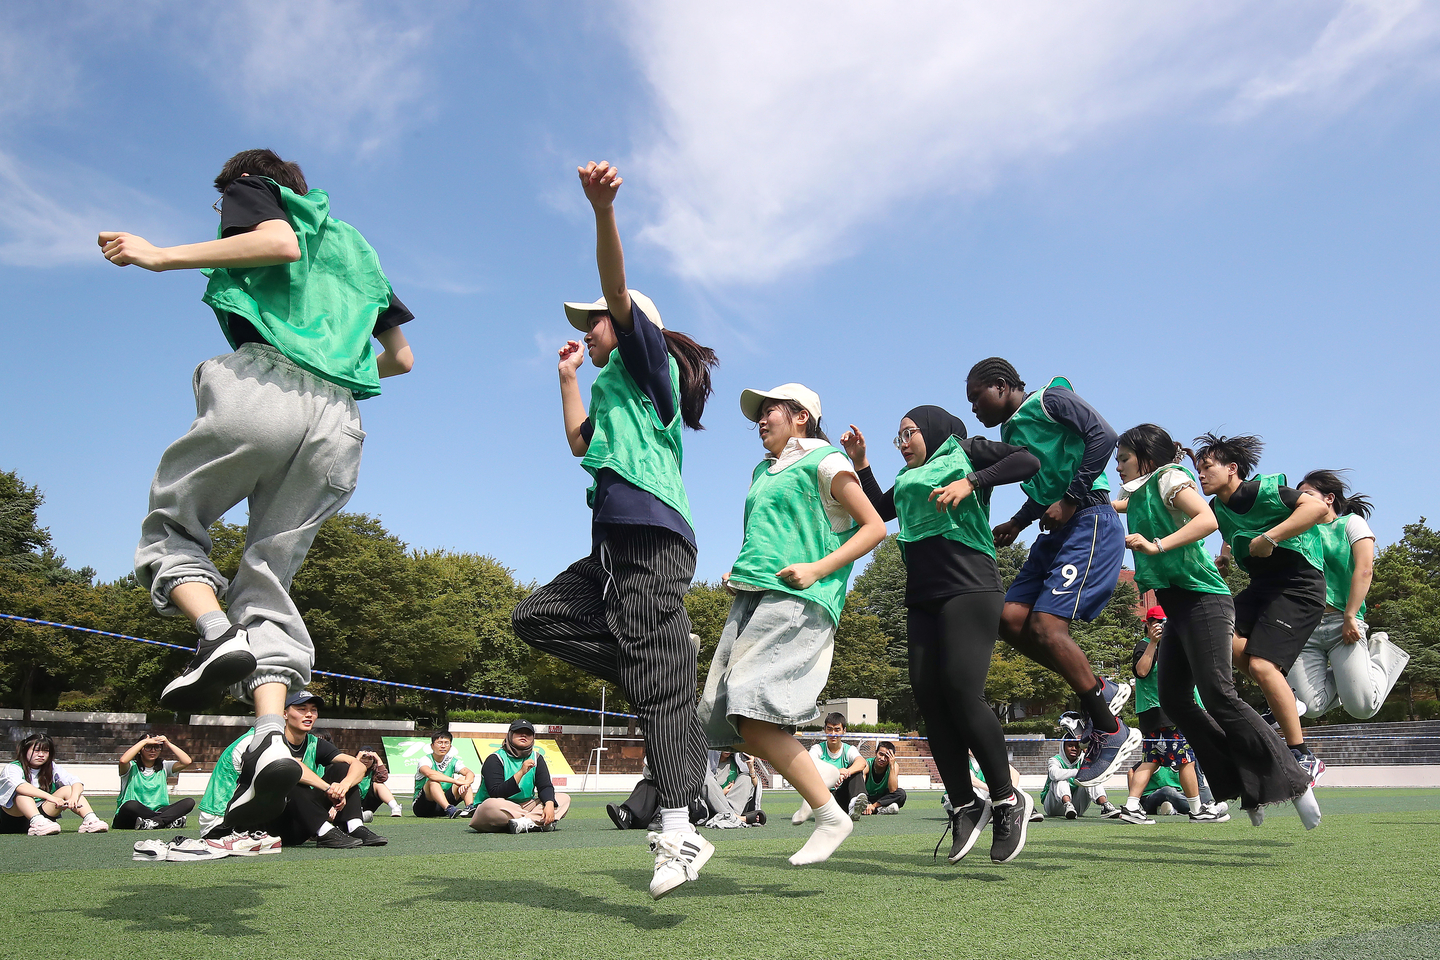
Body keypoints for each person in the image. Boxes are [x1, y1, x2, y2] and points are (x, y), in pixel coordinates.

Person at [101, 149, 415, 832]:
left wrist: (154, 255)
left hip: (268, 384)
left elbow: (274, 242)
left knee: (172, 527)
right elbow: (400, 359)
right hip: (340, 422)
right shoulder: (357, 249)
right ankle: (271, 737)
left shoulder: (256, 191)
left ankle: (214, 633)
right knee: (268, 576)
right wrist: (331, 374)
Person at [510, 161, 719, 900]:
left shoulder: (646, 365)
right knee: (535, 618)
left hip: (651, 537)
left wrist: (603, 213)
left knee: (660, 696)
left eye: (591, 321)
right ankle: (661, 661)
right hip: (611, 546)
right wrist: (567, 377)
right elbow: (577, 443)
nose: (587, 330)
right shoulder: (607, 388)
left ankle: (678, 831)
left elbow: (620, 292)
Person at [842, 404, 1041, 863]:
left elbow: (1028, 460)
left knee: (959, 689)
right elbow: (877, 510)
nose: (904, 441)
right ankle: (966, 805)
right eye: (898, 437)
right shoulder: (914, 477)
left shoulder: (963, 451)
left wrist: (972, 480)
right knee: (928, 697)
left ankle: (1008, 798)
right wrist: (862, 465)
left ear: (932, 429)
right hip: (923, 595)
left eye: (908, 432)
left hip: (970, 586)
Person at [700, 383, 886, 865]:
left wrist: (817, 569)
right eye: (758, 414)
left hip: (799, 596)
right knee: (726, 715)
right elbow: (767, 535)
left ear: (801, 416)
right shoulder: (762, 471)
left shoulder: (824, 461)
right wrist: (739, 571)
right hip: (754, 596)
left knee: (749, 708)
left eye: (770, 411)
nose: (761, 420)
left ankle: (830, 813)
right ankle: (817, 776)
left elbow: (875, 527)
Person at [1113, 426, 1314, 828]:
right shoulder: (1138, 493)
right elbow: (1112, 503)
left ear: (1145, 457)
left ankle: (1294, 777)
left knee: (1218, 694)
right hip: (1177, 605)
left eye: (1123, 459)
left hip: (1204, 600)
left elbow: (1204, 519)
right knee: (1174, 698)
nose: (1117, 467)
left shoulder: (1169, 478)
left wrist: (1157, 546)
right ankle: (1243, 781)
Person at [965, 359, 1140, 787]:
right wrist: (1020, 521)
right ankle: (1102, 688)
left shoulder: (1050, 399)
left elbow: (1106, 436)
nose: (973, 408)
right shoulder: (1010, 433)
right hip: (1056, 530)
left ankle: (1112, 731)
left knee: (1046, 625)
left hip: (1090, 519)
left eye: (976, 397)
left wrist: (1073, 497)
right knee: (1008, 618)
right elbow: (1046, 488)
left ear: (1002, 386)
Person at [1192, 433, 1330, 795]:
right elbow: (1228, 529)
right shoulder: (1219, 507)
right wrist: (1223, 555)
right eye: (1198, 469)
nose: (1201, 475)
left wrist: (1271, 537)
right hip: (1262, 586)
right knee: (1220, 637)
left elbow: (1317, 510)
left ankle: (1303, 755)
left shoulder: (1265, 491)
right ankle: (1285, 694)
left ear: (1232, 469)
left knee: (1261, 666)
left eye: (1207, 467)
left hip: (1299, 585)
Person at [1289, 470, 1410, 727]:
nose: (1301, 500)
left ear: (1329, 498)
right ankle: (1349, 674)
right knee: (1309, 708)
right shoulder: (1297, 533)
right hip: (1305, 627)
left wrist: (1350, 615)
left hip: (1343, 624)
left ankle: (1379, 651)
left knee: (1363, 708)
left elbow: (1364, 569)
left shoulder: (1350, 523)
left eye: (1308, 494)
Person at [199, 691, 386, 851]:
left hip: (277, 821)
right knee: (286, 773)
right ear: (284, 714)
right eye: (301, 709)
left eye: (313, 710)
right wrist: (328, 789)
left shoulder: (313, 742)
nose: (309, 715)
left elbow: (359, 765)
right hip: (228, 825)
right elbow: (289, 764)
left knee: (342, 768)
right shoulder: (259, 739)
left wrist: (342, 787)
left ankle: (354, 826)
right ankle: (324, 831)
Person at [1116, 607, 1224, 825]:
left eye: (1164, 621)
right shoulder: (1145, 646)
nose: (1160, 625)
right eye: (1155, 621)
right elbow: (1142, 671)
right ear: (1147, 623)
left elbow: (1188, 684)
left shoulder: (1174, 649)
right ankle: (1196, 809)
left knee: (1151, 760)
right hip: (1163, 714)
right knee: (1186, 761)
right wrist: (1154, 643)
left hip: (1161, 714)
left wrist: (1201, 709)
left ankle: (1130, 806)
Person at [469, 719, 571, 833]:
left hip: (525, 805)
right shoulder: (495, 758)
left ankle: (523, 823)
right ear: (510, 735)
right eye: (519, 732)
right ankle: (535, 821)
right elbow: (496, 793)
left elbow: (545, 786)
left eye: (528, 733)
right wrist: (521, 772)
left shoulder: (537, 758)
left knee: (563, 798)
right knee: (490, 805)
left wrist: (549, 804)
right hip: (500, 807)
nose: (523, 735)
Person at [0, 733, 108, 835]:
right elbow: (20, 786)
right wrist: (51, 798)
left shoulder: (52, 767)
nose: (41, 755)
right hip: (12, 819)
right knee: (22, 794)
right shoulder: (12, 768)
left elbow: (76, 782)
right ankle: (37, 822)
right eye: (36, 750)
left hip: (43, 817)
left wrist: (73, 798)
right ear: (25, 750)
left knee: (68, 789)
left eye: (46, 751)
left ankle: (90, 820)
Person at [790, 715, 871, 828]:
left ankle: (854, 805)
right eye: (829, 729)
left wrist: (846, 772)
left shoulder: (849, 749)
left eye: (837, 729)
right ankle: (810, 810)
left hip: (844, 795)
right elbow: (808, 765)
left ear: (844, 731)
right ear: (825, 730)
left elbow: (862, 762)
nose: (833, 733)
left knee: (856, 771)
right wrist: (836, 773)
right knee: (813, 772)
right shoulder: (818, 749)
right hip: (826, 794)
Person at [112, 734, 197, 830]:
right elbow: (123, 761)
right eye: (148, 747)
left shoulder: (164, 766)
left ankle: (156, 822)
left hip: (158, 811)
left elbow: (187, 761)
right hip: (131, 815)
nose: (153, 751)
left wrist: (167, 743)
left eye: (156, 747)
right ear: (140, 749)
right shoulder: (131, 767)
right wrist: (144, 741)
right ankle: (166, 821)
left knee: (189, 802)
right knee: (130, 805)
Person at [1042, 729, 1120, 820]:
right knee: (1059, 779)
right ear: (1063, 747)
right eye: (1070, 746)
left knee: (1090, 777)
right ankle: (1067, 804)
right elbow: (1054, 775)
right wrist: (1078, 772)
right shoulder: (1054, 760)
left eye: (1077, 746)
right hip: (1054, 807)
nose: (1074, 749)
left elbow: (1096, 770)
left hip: (1077, 808)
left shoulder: (1084, 759)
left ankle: (1105, 806)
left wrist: (1088, 752)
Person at [413, 732, 476, 818]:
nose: (443, 746)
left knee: (463, 779)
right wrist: (455, 781)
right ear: (432, 746)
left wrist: (466, 783)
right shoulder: (425, 760)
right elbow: (430, 774)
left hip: (442, 805)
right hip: (423, 808)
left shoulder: (452, 761)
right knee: (433, 782)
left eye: (446, 743)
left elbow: (470, 773)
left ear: (450, 746)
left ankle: (469, 808)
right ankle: (448, 808)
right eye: (439, 743)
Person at [714, 750, 766, 824]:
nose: (727, 750)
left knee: (746, 778)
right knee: (708, 781)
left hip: (734, 804)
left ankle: (733, 816)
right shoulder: (708, 765)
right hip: (715, 805)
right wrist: (721, 793)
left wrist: (751, 768)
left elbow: (755, 786)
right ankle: (737, 818)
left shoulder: (736, 762)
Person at [856, 741, 907, 817]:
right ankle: (880, 809)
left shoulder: (894, 766)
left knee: (901, 794)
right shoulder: (867, 764)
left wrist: (892, 766)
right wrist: (866, 803)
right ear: (876, 753)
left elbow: (893, 790)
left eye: (887, 756)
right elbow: (860, 788)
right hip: (868, 797)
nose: (883, 759)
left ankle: (874, 808)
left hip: (882, 798)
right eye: (881, 754)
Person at [354, 748, 403, 820]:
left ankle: (395, 807)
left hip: (367, 803)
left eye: (370, 758)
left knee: (379, 784)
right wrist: (357, 759)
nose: (366, 761)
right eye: (363, 758)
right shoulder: (351, 768)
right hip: (352, 803)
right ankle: (356, 813)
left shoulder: (373, 770)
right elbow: (345, 775)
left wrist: (378, 759)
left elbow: (383, 778)